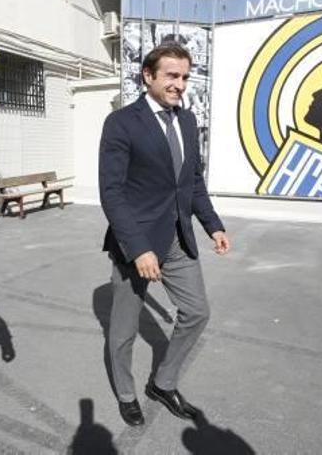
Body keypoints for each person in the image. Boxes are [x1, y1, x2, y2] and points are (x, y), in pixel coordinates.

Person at [99, 43, 231, 426]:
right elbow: (112, 192)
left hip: (177, 237)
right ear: (148, 76)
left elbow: (191, 182)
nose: (180, 84)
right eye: (172, 75)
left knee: (196, 312)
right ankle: (126, 393)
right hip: (134, 243)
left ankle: (163, 382)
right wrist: (138, 248)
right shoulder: (122, 122)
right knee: (124, 330)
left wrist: (213, 224)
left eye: (185, 77)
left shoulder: (187, 122)